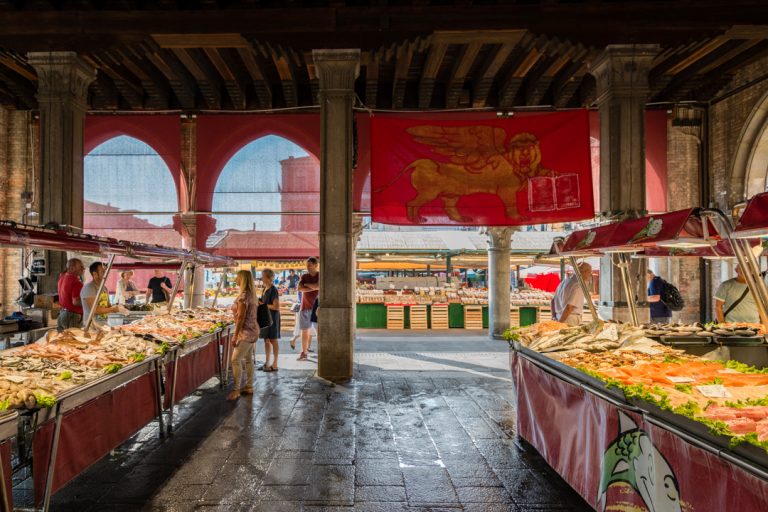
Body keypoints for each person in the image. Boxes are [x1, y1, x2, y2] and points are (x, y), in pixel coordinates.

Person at [228, 270, 259, 401]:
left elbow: (241, 318)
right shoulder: (252, 295)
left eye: (238, 278)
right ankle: (249, 386)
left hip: (245, 333)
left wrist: (235, 336)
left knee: (235, 360)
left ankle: (236, 390)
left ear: (242, 280)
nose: (236, 280)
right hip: (253, 330)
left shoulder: (243, 296)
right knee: (248, 359)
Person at [80, 261, 120, 328]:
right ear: (95, 274)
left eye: (105, 271)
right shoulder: (88, 288)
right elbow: (95, 310)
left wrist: (118, 307)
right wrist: (113, 309)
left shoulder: (104, 288)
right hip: (91, 326)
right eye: (103, 272)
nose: (106, 274)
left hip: (103, 324)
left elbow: (108, 305)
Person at [297, 257, 319, 361]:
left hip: (317, 308)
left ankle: (322, 352)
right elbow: (299, 288)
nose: (308, 267)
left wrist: (306, 285)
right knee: (304, 331)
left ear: (316, 265)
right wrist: (313, 287)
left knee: (320, 332)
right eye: (307, 265)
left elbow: (318, 286)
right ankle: (304, 352)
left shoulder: (320, 275)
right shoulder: (304, 276)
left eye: (310, 265)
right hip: (305, 307)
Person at [260, 268, 281, 372]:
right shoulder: (264, 289)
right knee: (266, 340)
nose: (261, 278)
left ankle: (275, 363)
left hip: (272, 318)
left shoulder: (273, 290)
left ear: (268, 277)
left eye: (263, 276)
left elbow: (276, 307)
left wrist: (263, 305)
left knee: (273, 340)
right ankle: (267, 363)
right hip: (265, 318)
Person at [57, 258, 85, 331]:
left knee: (62, 340)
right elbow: (76, 302)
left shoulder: (62, 277)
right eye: (81, 267)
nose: (83, 268)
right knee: (74, 340)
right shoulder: (76, 282)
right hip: (72, 316)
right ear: (72, 268)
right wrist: (89, 302)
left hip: (62, 313)